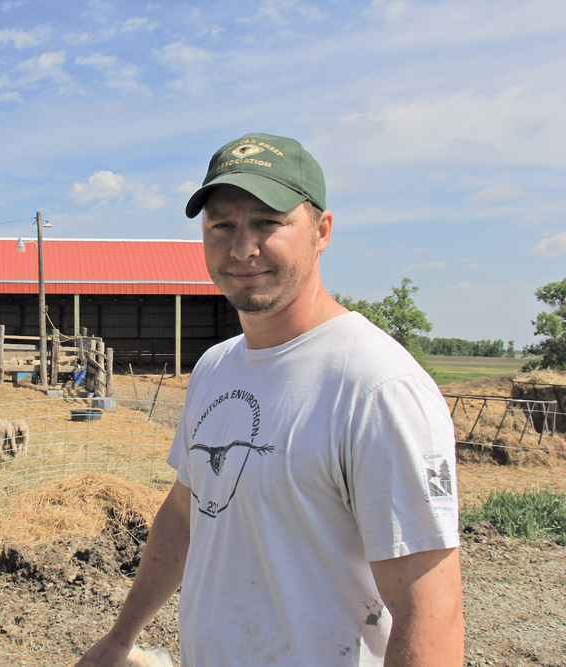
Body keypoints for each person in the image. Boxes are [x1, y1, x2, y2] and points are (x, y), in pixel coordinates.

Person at [75, 133, 463, 667]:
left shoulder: (376, 388)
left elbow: (432, 620)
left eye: (267, 222)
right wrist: (120, 638)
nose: (242, 248)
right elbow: (186, 512)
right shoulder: (215, 368)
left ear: (321, 232)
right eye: (221, 225)